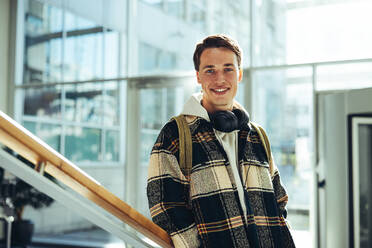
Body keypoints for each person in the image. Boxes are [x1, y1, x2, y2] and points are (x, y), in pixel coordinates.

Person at [147, 34, 296, 248]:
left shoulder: (257, 135)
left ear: (239, 74)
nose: (220, 79)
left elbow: (278, 201)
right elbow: (165, 208)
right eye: (210, 70)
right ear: (198, 76)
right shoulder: (175, 134)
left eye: (228, 69)